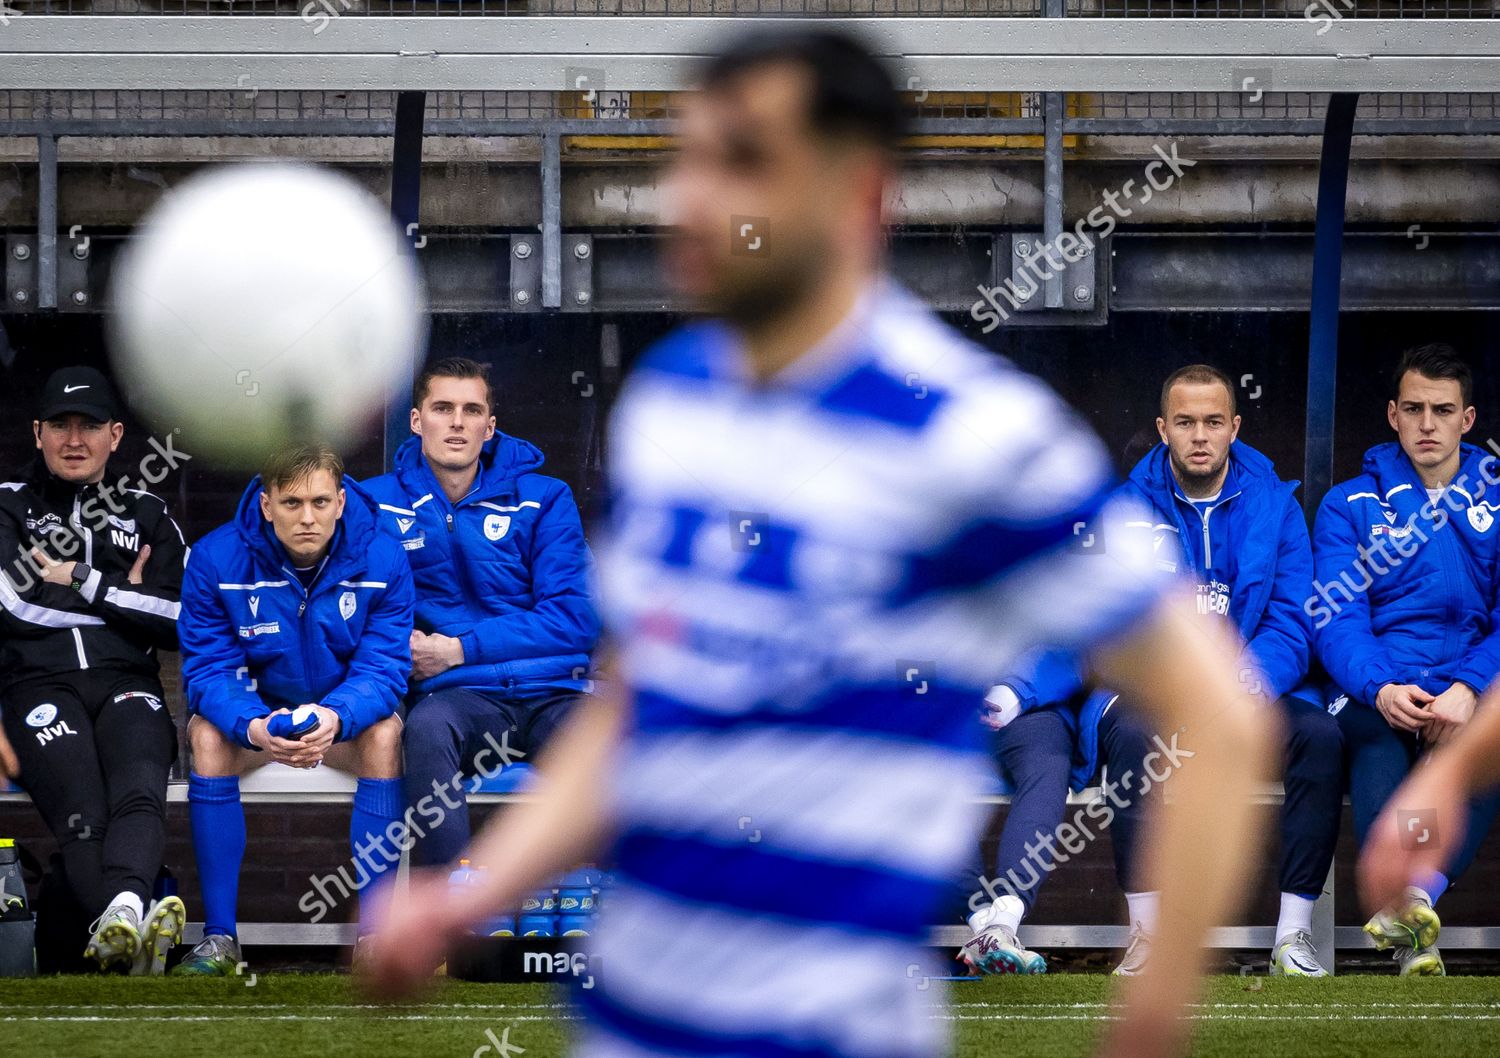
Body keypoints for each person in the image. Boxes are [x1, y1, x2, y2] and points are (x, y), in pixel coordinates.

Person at [364, 28, 1276, 1058]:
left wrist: (1154, 1017)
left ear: (861, 193)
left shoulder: (973, 434)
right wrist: (461, 899)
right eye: (690, 157)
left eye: (744, 159)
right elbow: (636, 706)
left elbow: (1217, 716)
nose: (694, 197)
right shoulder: (674, 401)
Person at [963, 365, 1341, 978]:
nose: (1200, 435)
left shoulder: (1276, 504)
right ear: (1163, 428)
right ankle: (1148, 936)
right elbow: (1096, 621)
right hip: (1147, 687)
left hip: (1249, 683)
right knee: (1135, 737)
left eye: (1213, 422)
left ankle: (1292, 938)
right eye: (1186, 422)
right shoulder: (1124, 511)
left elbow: (1294, 620)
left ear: (1235, 427)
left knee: (1322, 739)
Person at [173, 443, 414, 975]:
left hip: (340, 727)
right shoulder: (215, 559)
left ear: (342, 502)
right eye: (292, 503)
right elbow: (210, 670)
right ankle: (220, 939)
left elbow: (384, 669)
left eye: (321, 502)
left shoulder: (384, 557)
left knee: (386, 737)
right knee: (207, 737)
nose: (308, 517)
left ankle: (375, 938)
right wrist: (256, 725)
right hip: (260, 727)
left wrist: (334, 717)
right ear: (265, 505)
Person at [363, 356, 599, 866]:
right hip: (460, 702)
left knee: (606, 746)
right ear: (416, 419)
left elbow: (576, 618)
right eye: (442, 407)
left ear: (489, 427)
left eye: (471, 410)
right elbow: (359, 604)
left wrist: (459, 648)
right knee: (425, 731)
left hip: (554, 692)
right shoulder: (374, 505)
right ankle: (446, 928)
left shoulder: (544, 498)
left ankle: (610, 922)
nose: (456, 422)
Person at [1313, 342, 1500, 976]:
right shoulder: (1350, 503)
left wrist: (1471, 686)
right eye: (1414, 409)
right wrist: (1382, 686)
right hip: (1380, 683)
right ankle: (1412, 913)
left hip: (1467, 684)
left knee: (1485, 745)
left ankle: (1413, 899)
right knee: (1377, 736)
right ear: (1393, 414)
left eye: (1442, 410)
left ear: (1466, 419)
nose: (1427, 424)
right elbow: (1336, 618)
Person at [0, 365, 187, 973]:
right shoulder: (7, 505)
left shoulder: (149, 512)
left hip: (128, 685)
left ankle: (122, 916)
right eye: (59, 425)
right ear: (37, 433)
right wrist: (124, 601)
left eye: (88, 426)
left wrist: (83, 580)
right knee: (86, 815)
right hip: (38, 685)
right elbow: (11, 603)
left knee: (138, 795)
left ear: (115, 435)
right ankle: (129, 916)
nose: (73, 439)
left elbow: (183, 618)